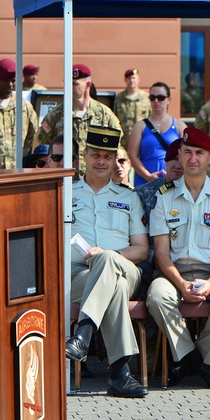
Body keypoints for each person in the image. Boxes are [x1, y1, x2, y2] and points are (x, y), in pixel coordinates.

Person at [146, 128, 210, 389]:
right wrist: (180, 284)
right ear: (178, 154)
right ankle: (199, 363)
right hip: (173, 272)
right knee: (157, 297)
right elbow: (162, 254)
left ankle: (190, 359)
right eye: (187, 152)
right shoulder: (164, 197)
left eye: (199, 153)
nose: (192, 159)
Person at [64, 126, 150, 398]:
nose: (101, 161)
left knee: (108, 262)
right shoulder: (66, 194)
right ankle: (120, 374)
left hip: (127, 267)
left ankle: (84, 335)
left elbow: (142, 250)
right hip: (78, 276)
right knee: (115, 288)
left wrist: (108, 256)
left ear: (115, 161)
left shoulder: (129, 197)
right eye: (96, 155)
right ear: (85, 156)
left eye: (108, 156)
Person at [37, 63, 120, 175]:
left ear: (88, 84)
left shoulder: (105, 115)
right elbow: (43, 146)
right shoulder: (55, 116)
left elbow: (117, 149)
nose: (69, 87)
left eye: (74, 84)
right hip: (66, 179)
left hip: (95, 181)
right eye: (67, 83)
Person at [128, 81, 185, 187]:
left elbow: (187, 155)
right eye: (152, 97)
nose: (156, 101)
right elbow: (132, 155)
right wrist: (148, 176)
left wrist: (175, 175)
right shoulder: (140, 126)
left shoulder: (179, 126)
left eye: (161, 97)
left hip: (173, 181)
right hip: (145, 181)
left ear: (169, 100)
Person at [137, 139, 184, 226]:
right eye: (174, 159)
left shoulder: (196, 194)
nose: (178, 166)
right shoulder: (144, 192)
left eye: (183, 161)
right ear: (166, 161)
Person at [113, 68, 151, 147]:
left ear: (138, 79)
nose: (132, 80)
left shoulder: (146, 98)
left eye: (134, 78)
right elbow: (114, 119)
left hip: (142, 142)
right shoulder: (119, 98)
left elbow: (153, 118)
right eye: (129, 78)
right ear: (125, 80)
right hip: (124, 143)